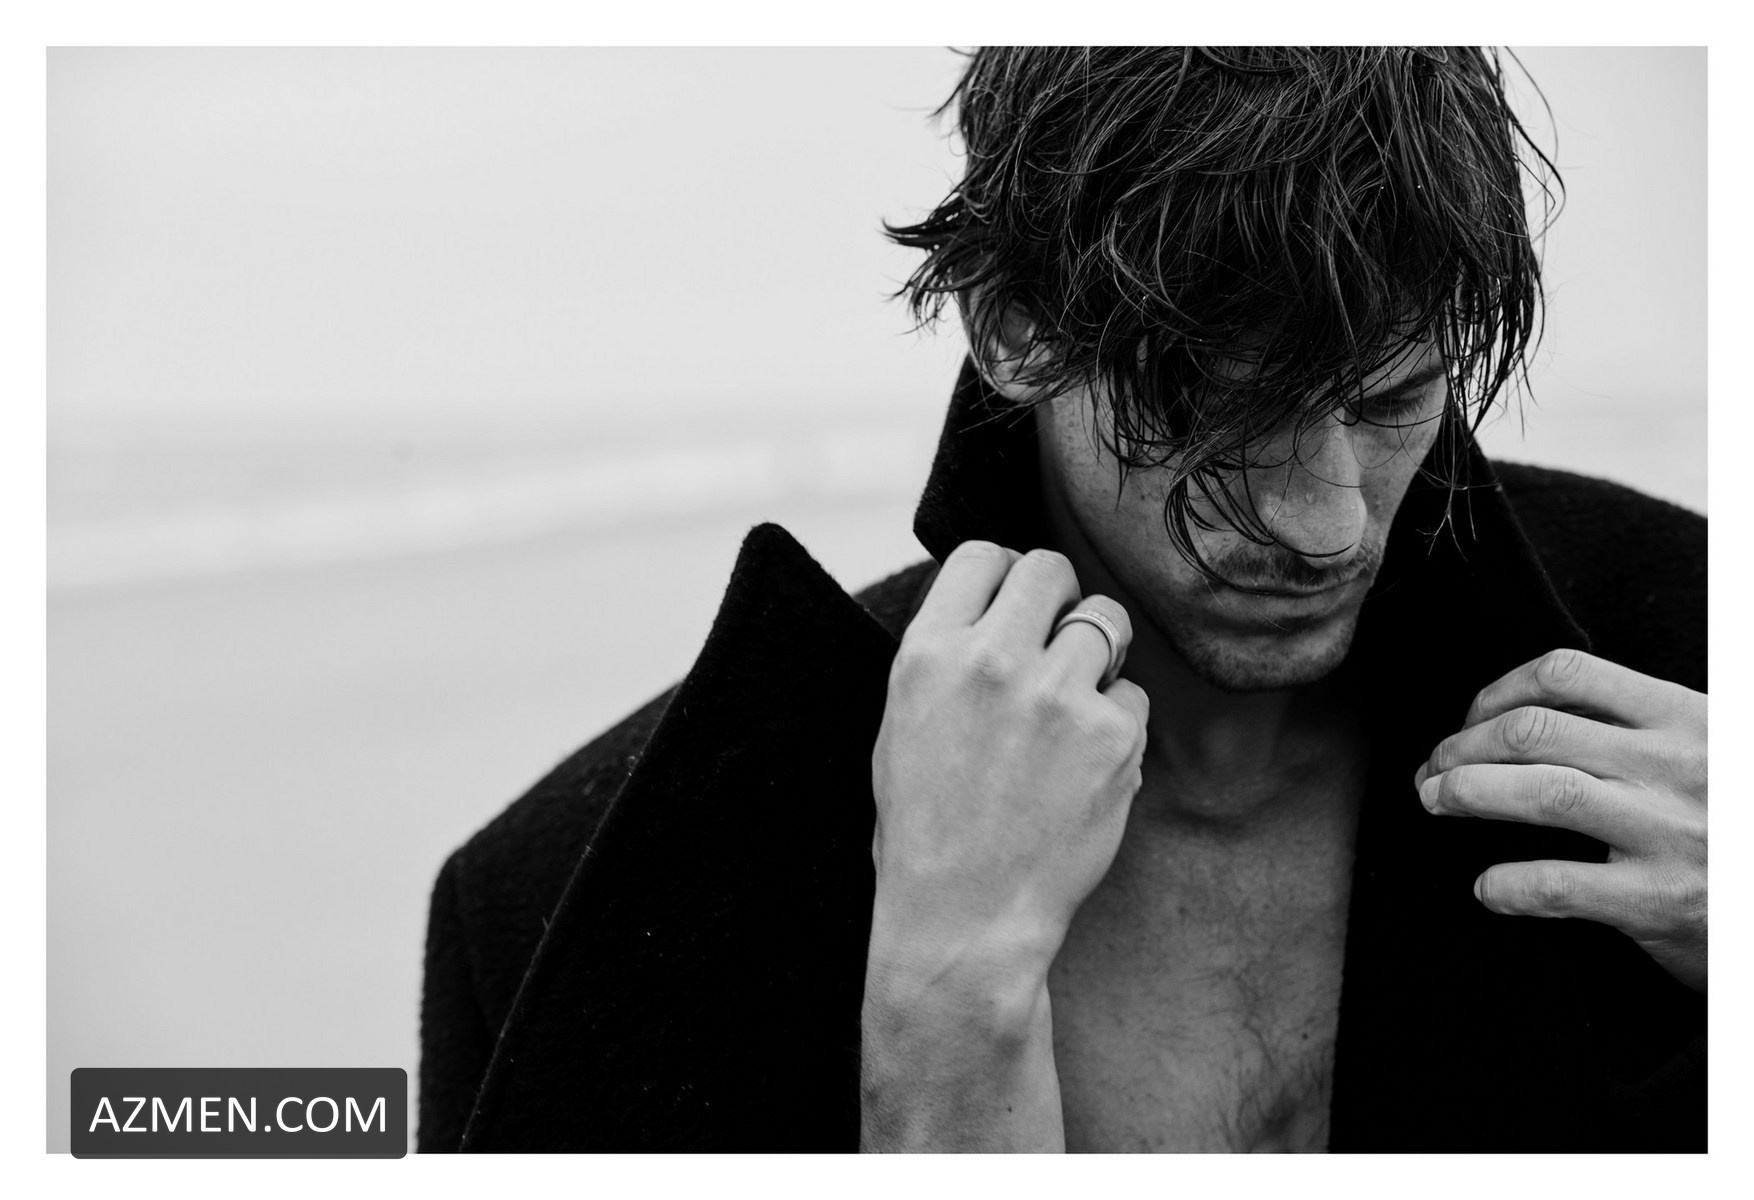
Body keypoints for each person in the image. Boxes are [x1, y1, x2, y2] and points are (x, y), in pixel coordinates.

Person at [418, 47, 1706, 1153]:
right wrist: (946, 999)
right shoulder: (569, 905)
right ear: (1014, 327)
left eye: (1391, 399)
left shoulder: (1703, 670)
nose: (1328, 523)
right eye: (1224, 408)